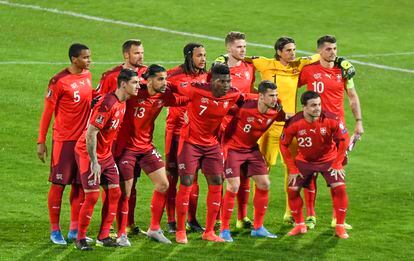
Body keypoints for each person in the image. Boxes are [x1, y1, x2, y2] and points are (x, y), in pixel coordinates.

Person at [247, 37, 354, 223]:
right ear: (279, 51)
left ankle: (290, 213)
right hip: (268, 127)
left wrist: (343, 61)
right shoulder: (264, 63)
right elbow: (242, 59)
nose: (293, 53)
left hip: (290, 126)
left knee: (293, 170)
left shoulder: (299, 65)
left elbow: (324, 55)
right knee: (263, 170)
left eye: (294, 50)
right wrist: (223, 60)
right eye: (288, 50)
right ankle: (257, 217)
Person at [115, 64, 189, 245]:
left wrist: (179, 90)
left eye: (165, 79)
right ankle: (121, 233)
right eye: (160, 79)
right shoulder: (134, 92)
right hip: (127, 149)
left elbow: (186, 99)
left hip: (146, 147)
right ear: (148, 80)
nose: (165, 82)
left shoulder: (164, 96)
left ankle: (154, 228)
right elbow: (115, 96)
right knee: (125, 191)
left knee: (163, 184)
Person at [298, 35, 364, 229]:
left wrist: (358, 122)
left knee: (337, 172)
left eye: (335, 48)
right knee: (311, 173)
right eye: (328, 49)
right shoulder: (309, 70)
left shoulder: (342, 72)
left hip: (337, 131)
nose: (333, 52)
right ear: (319, 51)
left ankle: (338, 218)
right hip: (313, 128)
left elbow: (352, 97)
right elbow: (291, 85)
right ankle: (310, 215)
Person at [174, 63, 243, 244]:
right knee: (187, 182)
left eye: (228, 81)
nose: (226, 84)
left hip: (211, 145)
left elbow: (245, 100)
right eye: (222, 81)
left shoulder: (233, 94)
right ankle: (181, 231)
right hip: (190, 142)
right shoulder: (196, 90)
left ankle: (210, 231)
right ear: (212, 81)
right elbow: (174, 86)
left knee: (217, 182)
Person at [74, 69, 139, 250]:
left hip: (105, 155)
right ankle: (80, 238)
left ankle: (103, 236)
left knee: (115, 193)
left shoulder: (123, 102)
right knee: (93, 196)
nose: (138, 86)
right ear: (123, 84)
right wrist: (94, 161)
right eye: (135, 83)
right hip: (88, 153)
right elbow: (91, 133)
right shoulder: (108, 104)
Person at [37, 43, 92, 245]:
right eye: (85, 58)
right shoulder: (58, 81)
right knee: (59, 184)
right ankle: (54, 230)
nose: (89, 61)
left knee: (79, 186)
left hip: (83, 141)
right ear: (74, 59)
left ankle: (74, 229)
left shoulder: (87, 76)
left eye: (89, 57)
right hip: (64, 140)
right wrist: (41, 141)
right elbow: (47, 113)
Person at [219, 80, 285, 242]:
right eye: (271, 96)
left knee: (264, 183)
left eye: (276, 95)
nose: (274, 98)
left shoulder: (275, 110)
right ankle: (224, 229)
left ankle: (258, 227)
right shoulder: (245, 106)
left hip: (251, 149)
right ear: (261, 97)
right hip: (233, 148)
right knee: (233, 186)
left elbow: (284, 117)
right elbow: (222, 112)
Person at [280, 91, 350, 239]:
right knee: (292, 189)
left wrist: (337, 163)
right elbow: (283, 144)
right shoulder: (294, 122)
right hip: (305, 161)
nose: (317, 108)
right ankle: (300, 225)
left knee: (340, 187)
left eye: (319, 104)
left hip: (328, 160)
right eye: (313, 106)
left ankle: (339, 227)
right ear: (304, 107)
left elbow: (344, 139)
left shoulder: (331, 119)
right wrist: (292, 168)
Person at [96, 39, 147, 235]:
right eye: (136, 53)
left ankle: (128, 223)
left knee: (131, 184)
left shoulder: (146, 74)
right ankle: (107, 229)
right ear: (126, 55)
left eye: (142, 52)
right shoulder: (110, 76)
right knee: (110, 186)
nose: (141, 56)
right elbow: (98, 101)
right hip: (113, 140)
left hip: (135, 140)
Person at [165, 43, 208, 234]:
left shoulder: (206, 76)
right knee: (172, 177)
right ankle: (171, 220)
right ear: (189, 56)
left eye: (205, 55)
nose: (203, 59)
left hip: (196, 134)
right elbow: (155, 88)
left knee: (193, 178)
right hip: (175, 132)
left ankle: (192, 219)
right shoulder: (173, 75)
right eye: (199, 55)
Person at [221, 31, 256, 229]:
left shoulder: (249, 67)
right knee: (223, 174)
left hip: (246, 127)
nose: (243, 50)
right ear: (228, 48)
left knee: (245, 174)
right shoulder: (220, 69)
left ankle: (242, 218)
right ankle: (219, 219)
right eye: (239, 47)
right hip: (225, 126)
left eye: (244, 46)